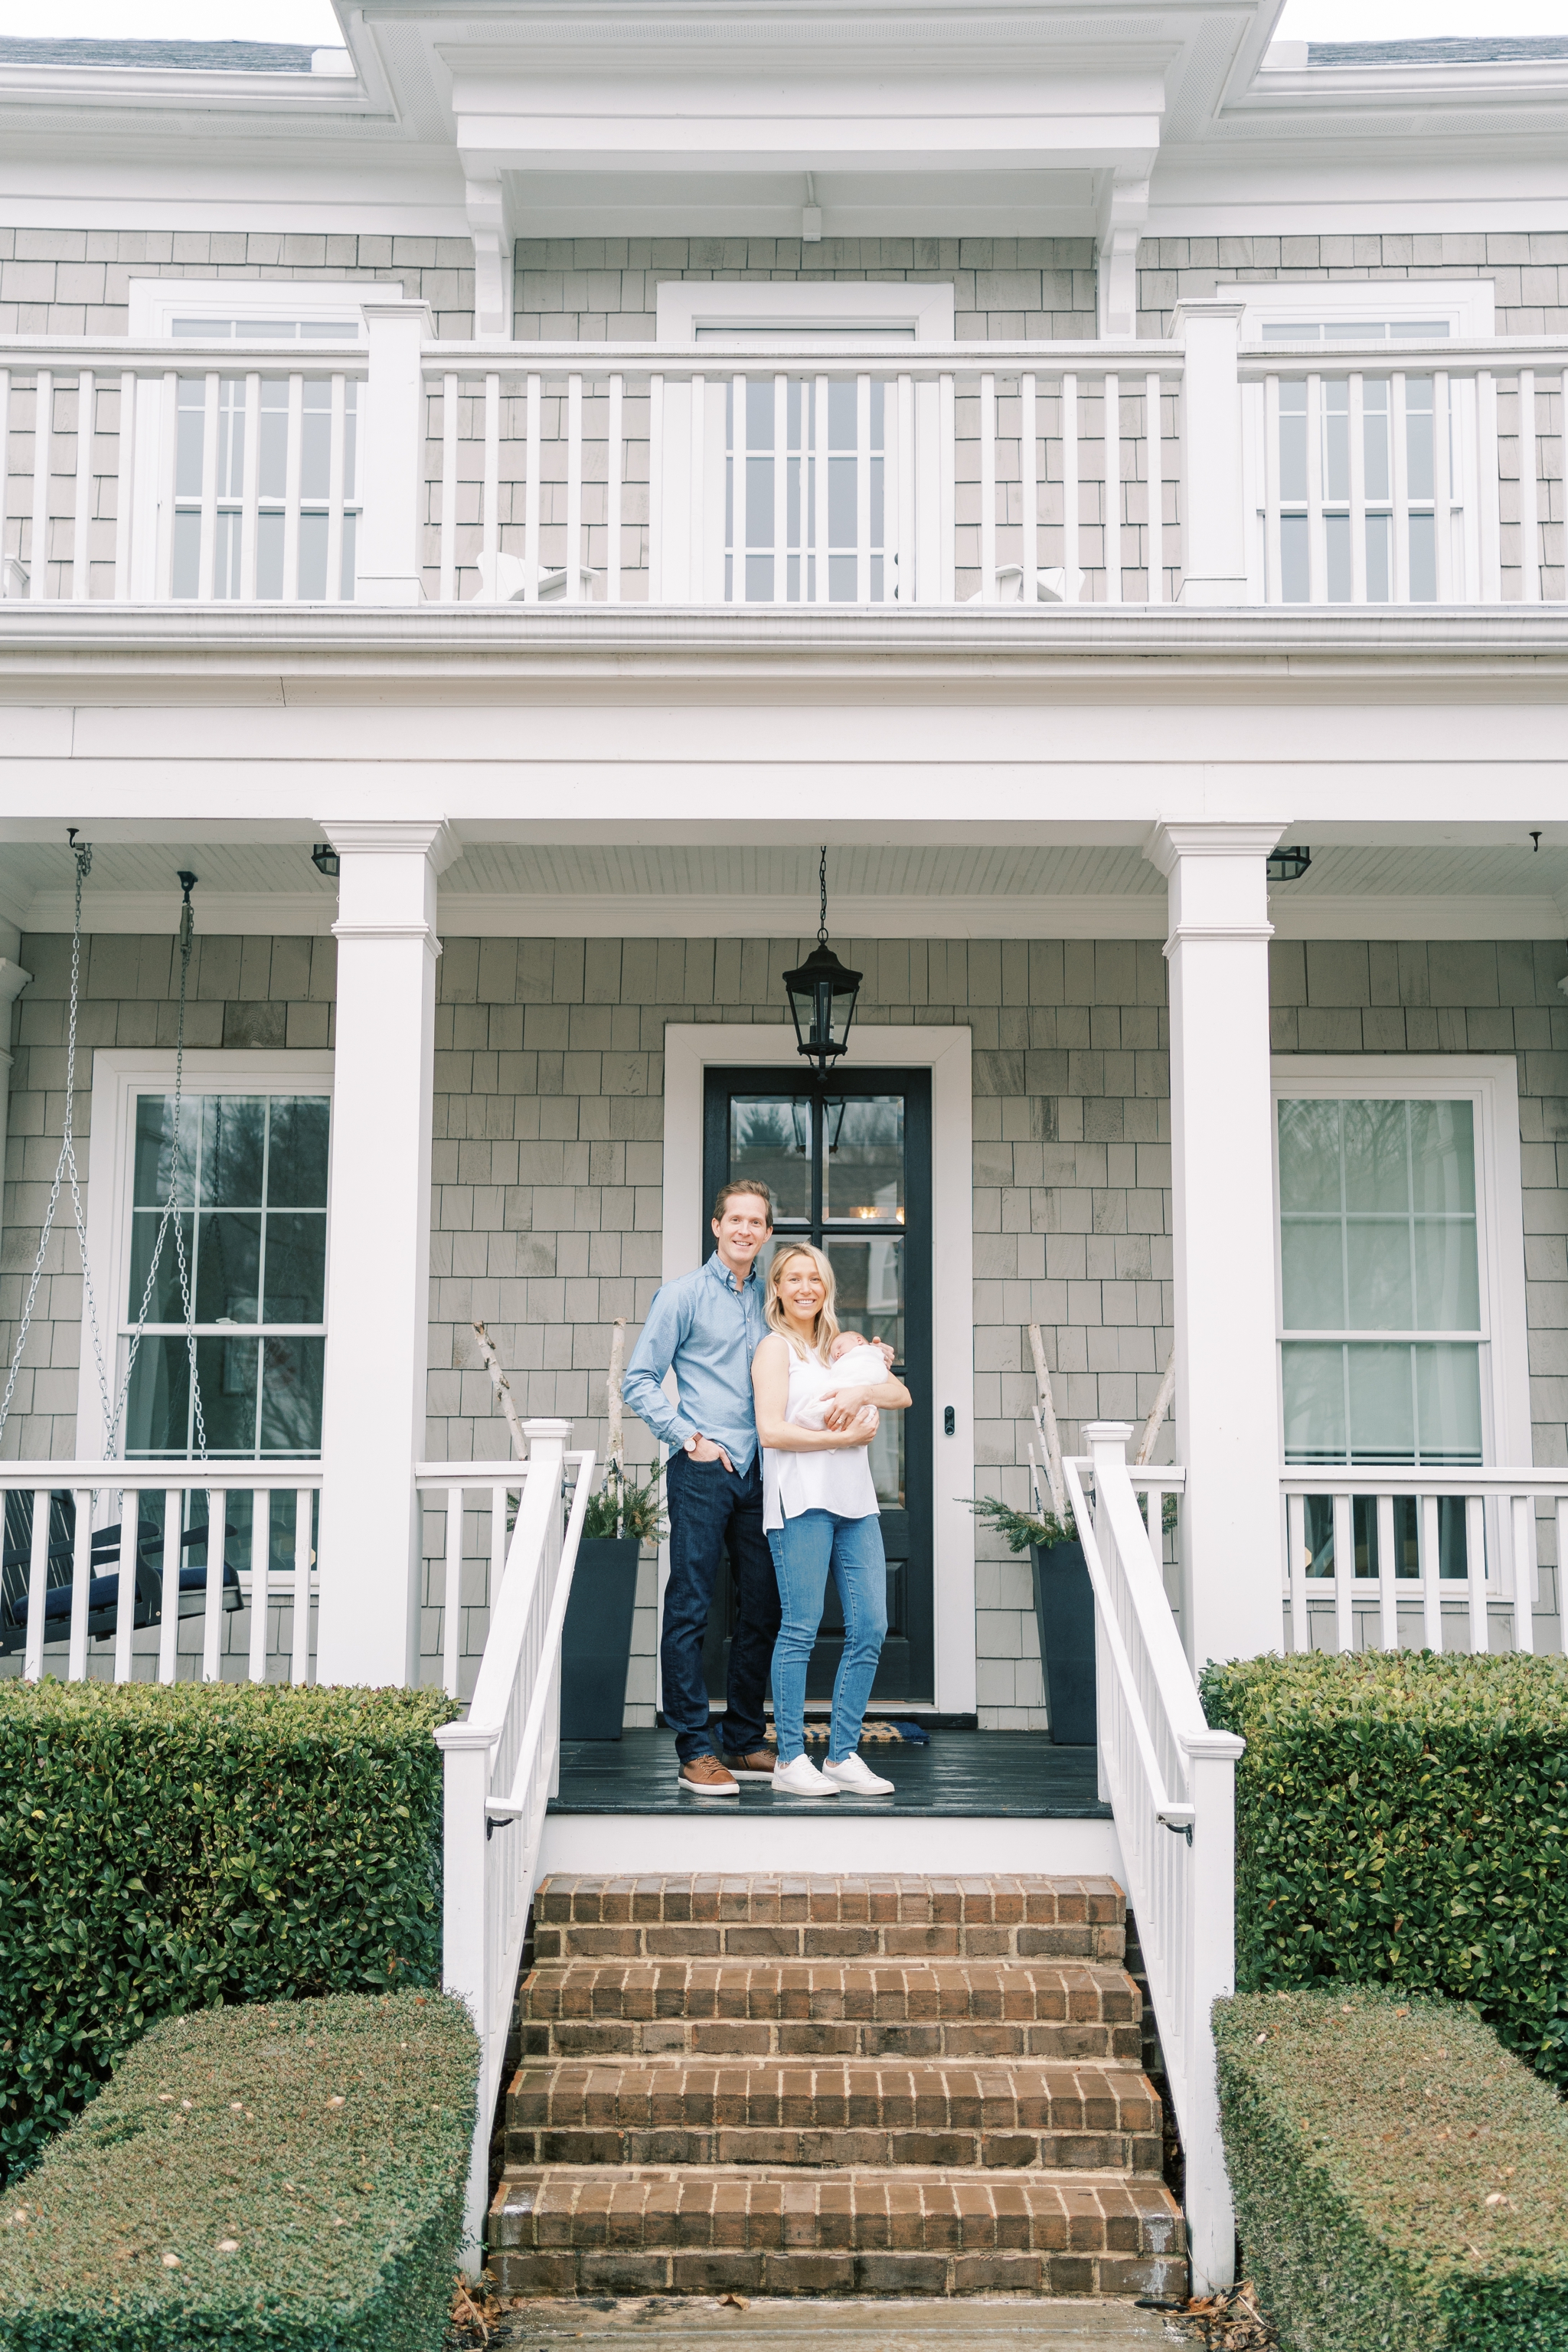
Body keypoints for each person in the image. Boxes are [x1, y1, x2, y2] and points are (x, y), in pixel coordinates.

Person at [751, 1243, 911, 1798]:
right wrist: (841, 1437)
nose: (805, 1288)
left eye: (814, 1278)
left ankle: (842, 1754)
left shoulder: (843, 1351)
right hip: (801, 1502)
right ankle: (791, 1758)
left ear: (826, 1288)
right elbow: (771, 1431)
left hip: (856, 1503)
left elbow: (901, 1393)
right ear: (777, 1288)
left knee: (870, 1625)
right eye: (793, 1278)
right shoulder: (776, 1349)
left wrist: (864, 1382)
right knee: (801, 1626)